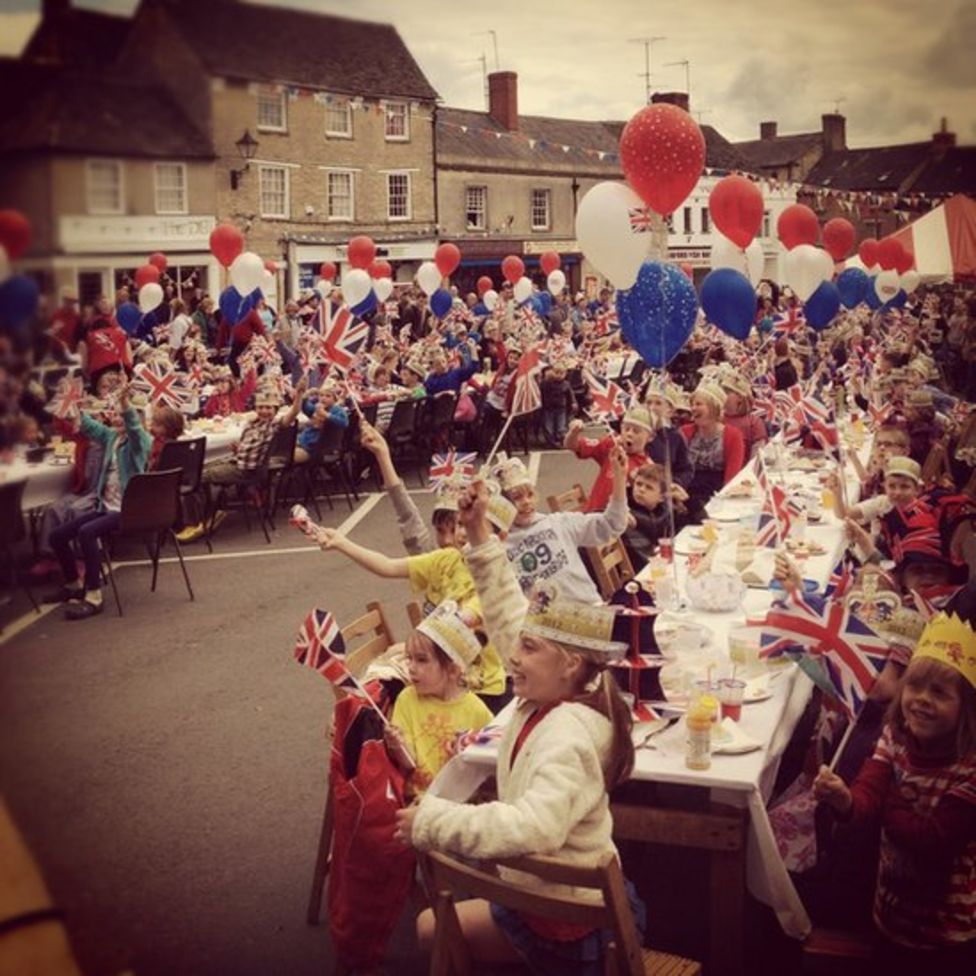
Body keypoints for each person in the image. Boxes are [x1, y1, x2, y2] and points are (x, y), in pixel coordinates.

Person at [395, 480, 645, 975]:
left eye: (528, 649)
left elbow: (534, 826)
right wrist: (478, 531)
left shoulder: (569, 735)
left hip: (571, 927)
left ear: (570, 664)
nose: (512, 654)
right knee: (431, 927)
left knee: (432, 929)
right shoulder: (555, 687)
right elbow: (510, 611)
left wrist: (433, 821)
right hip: (549, 899)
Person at [813, 611, 976, 969]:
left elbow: (931, 839)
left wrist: (885, 798)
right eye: (914, 687)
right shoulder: (896, 737)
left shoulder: (969, 770)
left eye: (940, 692)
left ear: (967, 708)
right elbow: (868, 792)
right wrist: (846, 800)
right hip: (889, 913)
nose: (921, 699)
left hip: (947, 934)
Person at [41, 384, 152, 619]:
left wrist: (125, 405)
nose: (119, 422)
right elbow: (91, 427)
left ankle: (94, 595)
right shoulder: (112, 438)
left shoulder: (140, 443)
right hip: (106, 507)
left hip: (128, 510)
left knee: (87, 533)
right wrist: (73, 406)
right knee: (57, 536)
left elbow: (134, 429)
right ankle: (73, 584)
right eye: (117, 418)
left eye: (124, 419)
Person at [387, 602, 493, 797]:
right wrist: (397, 746)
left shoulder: (477, 710)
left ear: (453, 670)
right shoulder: (407, 699)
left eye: (421, 660)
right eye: (409, 658)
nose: (411, 667)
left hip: (461, 801)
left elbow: (490, 765)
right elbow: (409, 764)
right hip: (420, 799)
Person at [494, 451, 628, 604]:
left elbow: (613, 524)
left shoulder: (559, 522)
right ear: (502, 505)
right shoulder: (498, 547)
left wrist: (620, 477)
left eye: (530, 495)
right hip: (542, 624)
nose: (526, 502)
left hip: (589, 611)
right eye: (517, 497)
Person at [564, 404, 659, 513]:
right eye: (626, 429)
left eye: (636, 431)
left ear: (650, 437)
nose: (629, 434)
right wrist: (573, 433)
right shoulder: (610, 446)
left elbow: (649, 506)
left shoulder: (648, 467)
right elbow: (572, 445)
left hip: (618, 523)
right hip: (592, 515)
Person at [679, 381, 746, 521]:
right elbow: (677, 470)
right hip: (685, 495)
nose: (693, 408)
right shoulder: (685, 432)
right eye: (692, 404)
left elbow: (731, 479)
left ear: (714, 408)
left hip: (715, 497)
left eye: (698, 404)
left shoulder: (733, 435)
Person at [622, 462, 670, 570]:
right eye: (638, 484)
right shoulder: (626, 510)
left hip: (655, 560)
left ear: (661, 497)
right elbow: (640, 559)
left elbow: (698, 522)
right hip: (640, 569)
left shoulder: (662, 511)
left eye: (649, 487)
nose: (641, 490)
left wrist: (688, 501)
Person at [540, 363, 574, 448]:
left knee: (561, 426)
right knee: (548, 426)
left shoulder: (566, 384)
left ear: (565, 374)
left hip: (561, 408)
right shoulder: (547, 383)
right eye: (556, 372)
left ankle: (561, 440)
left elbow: (570, 394)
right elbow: (541, 388)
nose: (558, 375)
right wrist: (546, 377)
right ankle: (551, 442)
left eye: (561, 373)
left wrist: (573, 403)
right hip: (548, 408)